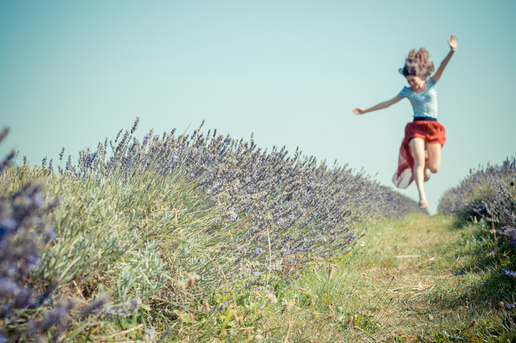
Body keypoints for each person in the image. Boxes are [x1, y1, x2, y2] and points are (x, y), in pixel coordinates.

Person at [352, 35, 458, 209]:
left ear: (421, 75)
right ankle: (422, 197)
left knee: (434, 167)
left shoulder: (432, 82)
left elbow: (442, 66)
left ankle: (425, 170)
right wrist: (366, 110)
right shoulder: (407, 91)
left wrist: (451, 50)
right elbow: (388, 103)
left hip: (434, 128)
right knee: (418, 158)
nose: (411, 84)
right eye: (408, 81)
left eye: (413, 81)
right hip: (416, 128)